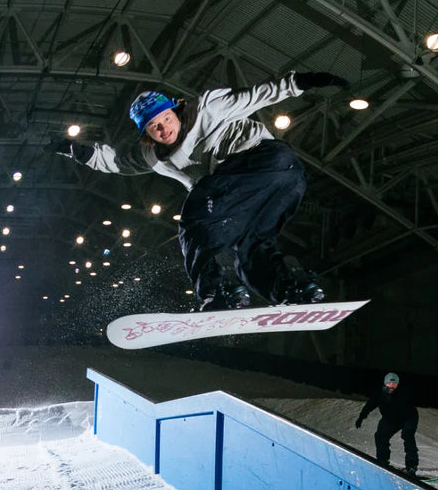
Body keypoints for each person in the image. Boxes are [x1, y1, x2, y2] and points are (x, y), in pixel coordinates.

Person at [50, 70, 348, 311]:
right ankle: (292, 286)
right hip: (282, 183)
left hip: (265, 160)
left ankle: (216, 290)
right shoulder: (150, 156)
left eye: (166, 119)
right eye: (155, 127)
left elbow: (259, 94)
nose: (165, 129)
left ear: (175, 111)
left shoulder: (207, 108)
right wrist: (74, 150)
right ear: (147, 134)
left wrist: (306, 81)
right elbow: (115, 161)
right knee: (248, 246)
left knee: (195, 219)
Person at [355, 372, 419, 476]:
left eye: (395, 384)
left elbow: (408, 406)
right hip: (391, 419)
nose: (392, 386)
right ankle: (383, 461)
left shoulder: (403, 393)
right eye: (389, 383)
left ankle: (411, 466)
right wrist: (361, 417)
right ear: (385, 384)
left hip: (408, 417)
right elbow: (369, 405)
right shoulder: (380, 394)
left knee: (407, 435)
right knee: (380, 436)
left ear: (398, 385)